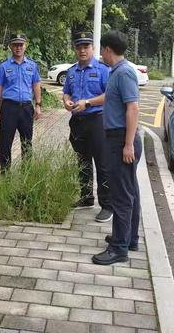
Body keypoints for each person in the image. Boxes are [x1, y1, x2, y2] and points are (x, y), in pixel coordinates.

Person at [92, 30, 142, 265]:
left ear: (107, 50)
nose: (100, 53)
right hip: (120, 138)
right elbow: (109, 98)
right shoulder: (116, 72)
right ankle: (129, 237)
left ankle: (118, 249)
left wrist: (128, 144)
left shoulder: (124, 73)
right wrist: (87, 102)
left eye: (101, 49)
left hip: (122, 139)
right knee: (130, 190)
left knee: (121, 195)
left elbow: (133, 108)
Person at [62, 31, 112, 222]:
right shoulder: (72, 71)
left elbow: (109, 95)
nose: (82, 50)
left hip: (97, 121)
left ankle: (107, 205)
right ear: (75, 49)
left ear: (93, 48)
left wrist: (88, 103)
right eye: (79, 47)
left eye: (86, 46)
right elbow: (67, 92)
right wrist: (66, 101)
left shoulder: (102, 70)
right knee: (82, 162)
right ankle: (86, 197)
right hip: (78, 122)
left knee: (102, 163)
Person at [0, 33, 42, 172]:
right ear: (10, 47)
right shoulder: (4, 66)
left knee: (27, 142)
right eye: (15, 45)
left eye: (21, 44)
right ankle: (5, 175)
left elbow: (36, 84)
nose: (18, 47)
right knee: (5, 143)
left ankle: (26, 175)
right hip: (9, 108)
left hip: (26, 108)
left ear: (25, 46)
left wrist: (38, 105)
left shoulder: (32, 65)